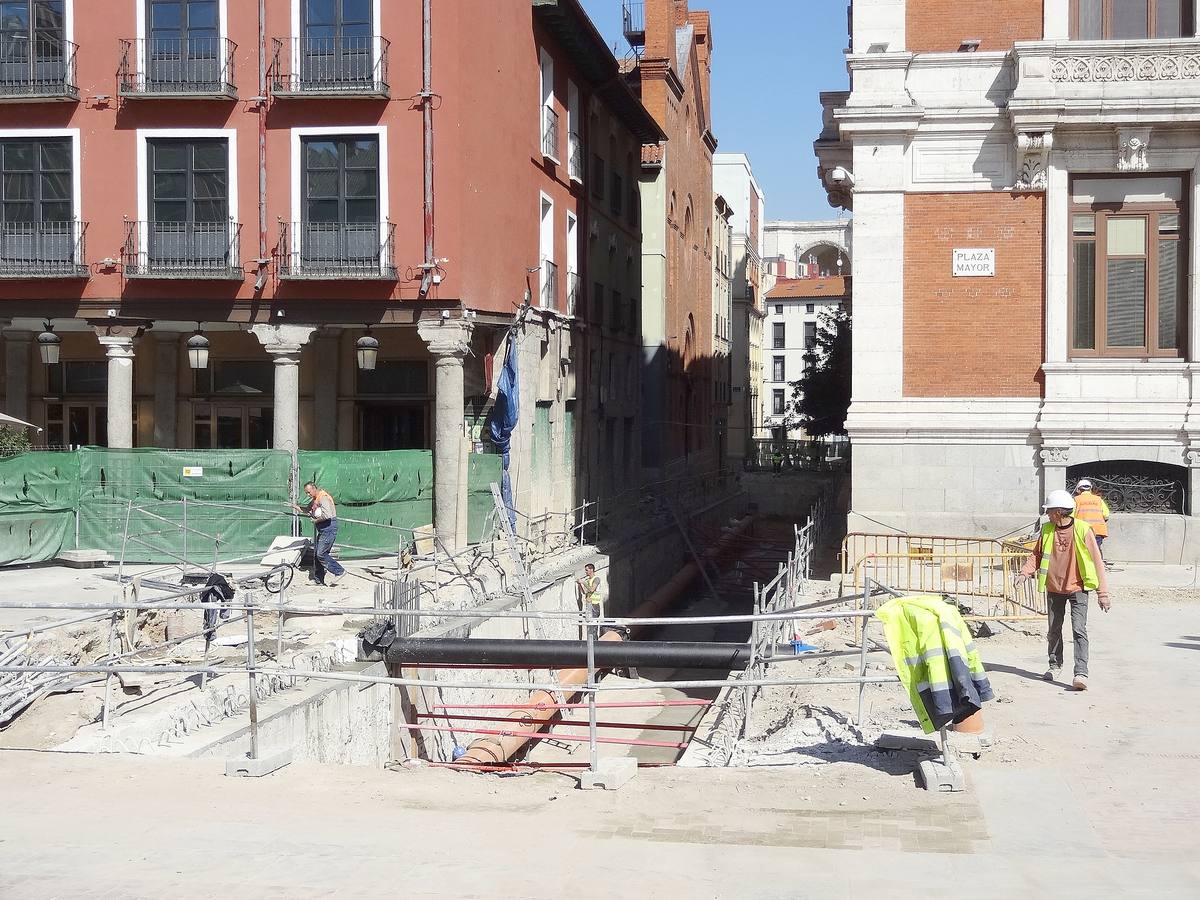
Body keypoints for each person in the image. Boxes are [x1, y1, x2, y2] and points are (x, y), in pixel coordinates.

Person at [1018, 489, 1111, 691]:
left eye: (1050, 511)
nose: (1048, 514)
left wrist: (1103, 594)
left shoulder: (1083, 530)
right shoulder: (1047, 529)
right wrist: (1025, 572)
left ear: (1059, 511)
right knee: (1054, 630)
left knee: (1079, 630)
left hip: (1078, 588)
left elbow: (1097, 562)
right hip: (1054, 588)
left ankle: (1081, 673)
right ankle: (1054, 664)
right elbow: (1036, 555)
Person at [292, 481, 345, 587]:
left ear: (314, 488)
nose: (308, 494)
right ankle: (318, 580)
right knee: (317, 554)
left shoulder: (323, 498)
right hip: (323, 528)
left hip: (329, 527)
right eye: (306, 493)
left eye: (309, 492)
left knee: (321, 553)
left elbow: (327, 515)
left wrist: (316, 521)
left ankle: (339, 571)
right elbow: (308, 510)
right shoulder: (315, 500)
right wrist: (296, 507)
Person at [1073, 479, 1111, 557]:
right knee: (1096, 549)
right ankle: (1099, 566)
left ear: (1078, 489)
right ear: (1090, 489)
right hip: (1098, 530)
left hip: (1082, 531)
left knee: (1082, 551)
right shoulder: (1098, 499)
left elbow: (1071, 515)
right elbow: (1106, 515)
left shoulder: (1076, 500)